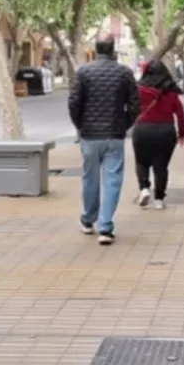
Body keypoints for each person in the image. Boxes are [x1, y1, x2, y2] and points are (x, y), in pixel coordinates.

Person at [68, 36, 140, 245]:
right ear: (113, 50)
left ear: (96, 49)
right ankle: (106, 227)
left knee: (90, 178)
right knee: (112, 180)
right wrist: (124, 124)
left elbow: (74, 103)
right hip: (114, 135)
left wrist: (80, 125)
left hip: (90, 135)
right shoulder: (124, 73)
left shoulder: (84, 72)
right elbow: (135, 105)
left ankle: (88, 219)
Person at [132, 60, 184, 210]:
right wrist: (182, 134)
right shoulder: (171, 91)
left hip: (142, 129)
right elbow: (180, 114)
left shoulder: (139, 89)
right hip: (166, 131)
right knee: (161, 166)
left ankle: (144, 188)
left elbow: (130, 109)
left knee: (141, 162)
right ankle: (159, 199)